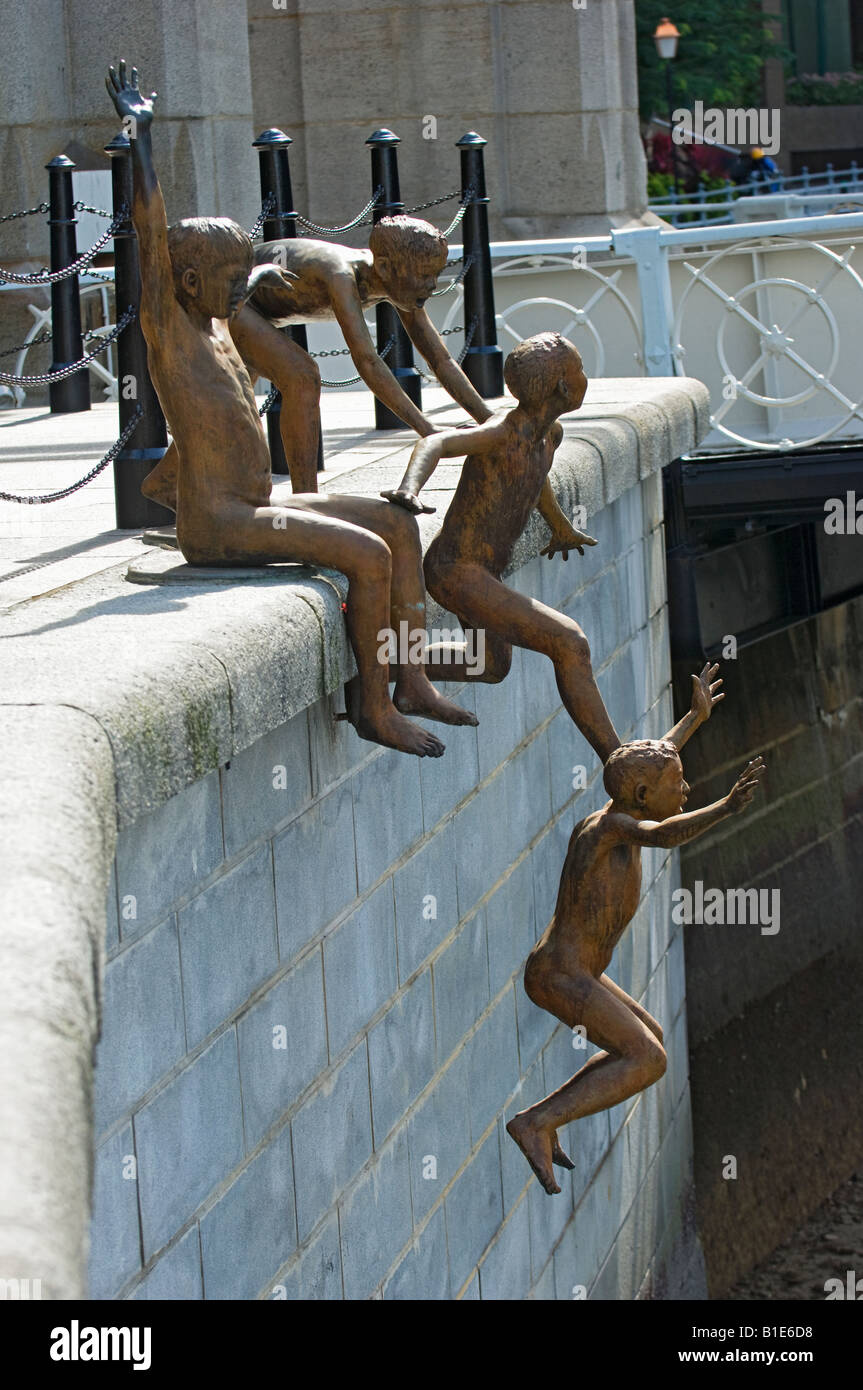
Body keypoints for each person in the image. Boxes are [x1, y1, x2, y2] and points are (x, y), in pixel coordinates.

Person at [105, 61, 476, 757]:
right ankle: (372, 708)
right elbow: (150, 238)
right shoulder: (172, 327)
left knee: (395, 524)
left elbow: (234, 287)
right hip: (219, 524)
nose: (240, 292)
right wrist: (139, 136)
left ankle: (412, 680)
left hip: (257, 502)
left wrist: (251, 274)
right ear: (186, 282)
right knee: (367, 554)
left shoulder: (218, 322)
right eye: (227, 279)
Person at [506, 689, 766, 1196]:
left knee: (649, 1042)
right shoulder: (613, 829)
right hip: (560, 976)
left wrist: (693, 718)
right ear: (645, 798)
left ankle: (545, 1119)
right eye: (678, 785)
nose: (686, 789)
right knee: (648, 1059)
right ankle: (536, 1122)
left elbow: (649, 758)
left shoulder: (628, 798)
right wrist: (725, 807)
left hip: (576, 972)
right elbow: (667, 834)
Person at [140, 212, 496, 507]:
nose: (432, 285)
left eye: (436, 274)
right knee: (302, 376)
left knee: (235, 400)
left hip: (260, 310)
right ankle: (305, 499)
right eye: (424, 276)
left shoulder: (400, 284)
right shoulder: (341, 273)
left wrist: (490, 421)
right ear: (385, 267)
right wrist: (429, 431)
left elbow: (441, 359)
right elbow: (368, 362)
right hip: (234, 296)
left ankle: (166, 482)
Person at [383, 332, 620, 763]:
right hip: (455, 571)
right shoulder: (500, 433)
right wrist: (409, 488)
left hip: (485, 572)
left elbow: (536, 475)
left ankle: (387, 666)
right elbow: (435, 442)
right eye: (580, 371)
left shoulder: (552, 434)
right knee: (569, 642)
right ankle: (617, 759)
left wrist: (560, 525)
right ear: (562, 388)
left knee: (489, 666)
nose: (586, 378)